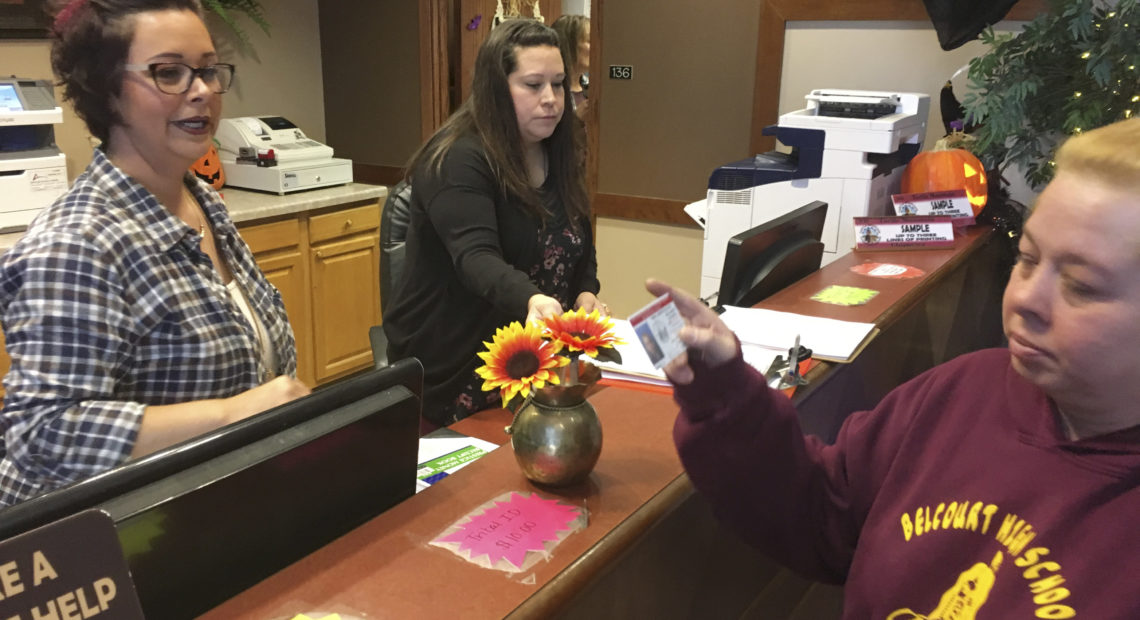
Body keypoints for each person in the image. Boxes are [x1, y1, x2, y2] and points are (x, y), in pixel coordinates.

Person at [649, 117, 1140, 618]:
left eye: (1081, 286)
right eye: (1028, 259)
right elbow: (822, 515)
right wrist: (727, 396)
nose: (1026, 299)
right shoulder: (962, 390)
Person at [0, 0, 310, 507]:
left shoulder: (201, 202)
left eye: (208, 70)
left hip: (216, 506)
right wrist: (232, 414)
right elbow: (43, 433)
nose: (203, 90)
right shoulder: (78, 243)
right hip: (113, 543)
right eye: (169, 73)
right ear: (107, 91)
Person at [383, 18, 607, 430]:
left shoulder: (557, 147)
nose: (551, 99)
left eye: (559, 83)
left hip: (535, 364)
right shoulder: (457, 158)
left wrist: (587, 291)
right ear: (496, 88)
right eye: (533, 84)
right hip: (458, 368)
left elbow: (577, 241)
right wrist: (532, 300)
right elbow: (475, 257)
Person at [551, 14, 589, 118]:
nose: (596, 47)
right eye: (590, 41)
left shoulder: (593, 88)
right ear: (569, 44)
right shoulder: (549, 91)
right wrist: (576, 119)